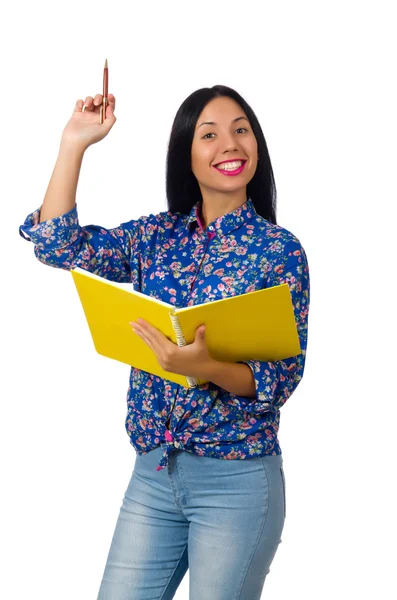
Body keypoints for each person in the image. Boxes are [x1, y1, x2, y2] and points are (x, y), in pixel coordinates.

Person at [19, 84, 310, 600]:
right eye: (210, 134)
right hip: (153, 474)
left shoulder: (278, 252)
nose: (231, 144)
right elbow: (58, 246)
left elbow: (280, 380)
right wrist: (73, 143)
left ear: (257, 147)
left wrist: (207, 366)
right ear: (187, 155)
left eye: (241, 130)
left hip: (236, 483)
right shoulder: (156, 237)